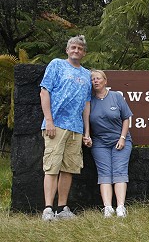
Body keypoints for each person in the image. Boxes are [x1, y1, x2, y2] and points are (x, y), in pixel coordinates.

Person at [40, 35, 92, 221]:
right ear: (67, 50)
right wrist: (49, 120)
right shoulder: (56, 65)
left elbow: (86, 104)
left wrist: (86, 131)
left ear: (84, 53)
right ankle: (48, 209)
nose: (76, 50)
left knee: (68, 168)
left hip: (76, 128)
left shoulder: (87, 74)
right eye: (73, 47)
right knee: (52, 167)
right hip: (56, 125)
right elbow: (44, 91)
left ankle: (62, 209)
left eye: (80, 48)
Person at [83, 69, 133, 218]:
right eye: (93, 79)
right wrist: (87, 136)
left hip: (120, 141)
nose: (95, 81)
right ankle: (108, 208)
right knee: (104, 174)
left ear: (105, 81)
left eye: (98, 78)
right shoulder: (89, 101)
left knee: (119, 172)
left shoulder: (116, 96)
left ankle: (120, 208)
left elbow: (126, 118)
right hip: (100, 143)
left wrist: (122, 138)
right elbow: (86, 122)